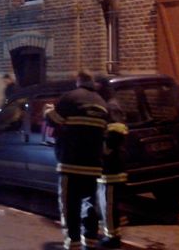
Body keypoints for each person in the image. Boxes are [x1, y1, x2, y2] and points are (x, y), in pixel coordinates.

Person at [44, 71, 109, 250]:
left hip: (71, 163)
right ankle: (90, 241)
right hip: (93, 165)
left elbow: (53, 121)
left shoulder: (70, 98)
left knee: (69, 204)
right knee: (90, 203)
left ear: (78, 81)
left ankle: (72, 242)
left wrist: (48, 111)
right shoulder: (102, 103)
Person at [97, 93, 128, 249]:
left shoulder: (111, 107)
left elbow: (117, 130)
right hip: (112, 165)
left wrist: (106, 150)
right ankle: (114, 232)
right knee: (110, 203)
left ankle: (112, 237)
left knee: (108, 204)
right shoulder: (110, 105)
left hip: (111, 168)